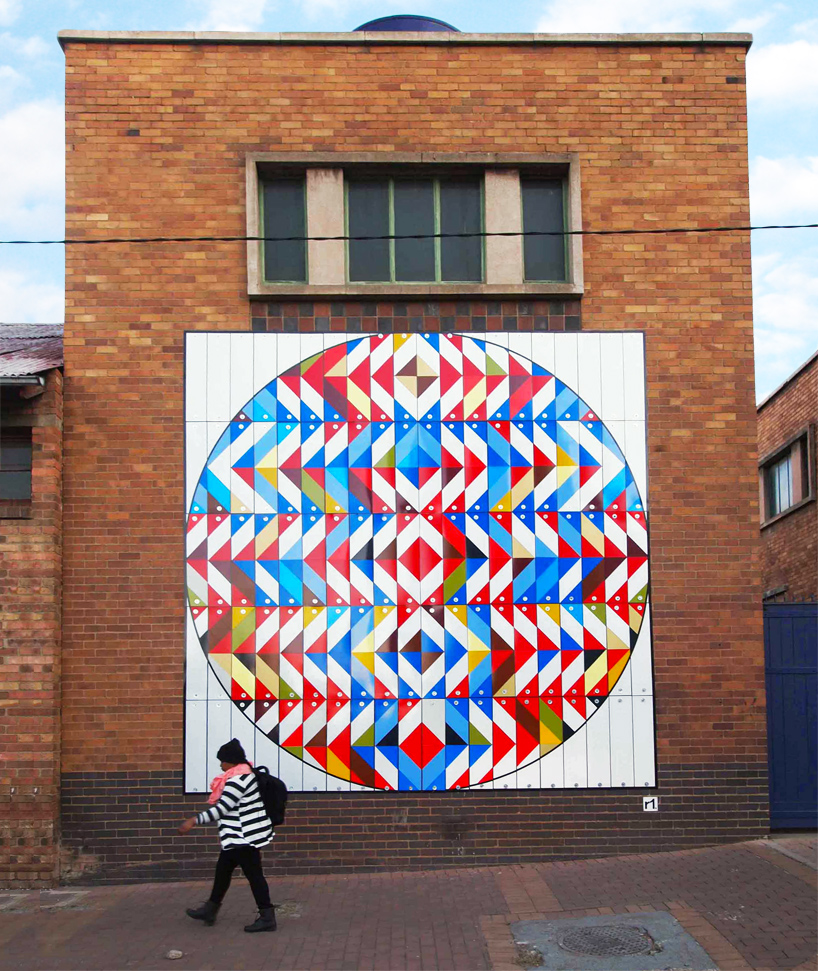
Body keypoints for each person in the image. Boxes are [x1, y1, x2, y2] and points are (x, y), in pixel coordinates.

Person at [178, 738, 276, 933]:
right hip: (237, 838)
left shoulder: (237, 781)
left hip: (243, 838)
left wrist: (194, 820)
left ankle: (267, 917)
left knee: (255, 877)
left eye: (222, 761)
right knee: (223, 872)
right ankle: (210, 909)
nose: (220, 765)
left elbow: (222, 809)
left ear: (230, 761)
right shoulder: (246, 774)